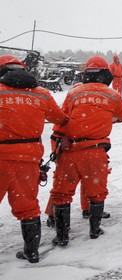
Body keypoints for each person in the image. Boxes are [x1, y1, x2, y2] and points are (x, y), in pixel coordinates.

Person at [49, 55, 122, 245]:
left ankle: (62, 236)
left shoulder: (74, 92)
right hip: (95, 150)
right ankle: (94, 230)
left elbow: (63, 116)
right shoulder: (112, 94)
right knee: (96, 191)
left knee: (61, 194)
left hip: (70, 150)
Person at [0, 55, 68, 263]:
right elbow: (61, 119)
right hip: (28, 158)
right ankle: (32, 251)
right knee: (28, 205)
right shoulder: (42, 95)